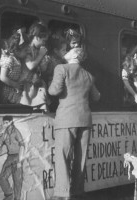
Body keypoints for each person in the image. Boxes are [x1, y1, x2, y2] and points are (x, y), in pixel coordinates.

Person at [48, 47, 100, 200]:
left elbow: (54, 91)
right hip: (84, 119)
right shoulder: (89, 76)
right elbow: (96, 97)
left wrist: (47, 84)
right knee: (80, 157)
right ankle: (77, 192)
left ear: (74, 55)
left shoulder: (61, 68)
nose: (66, 51)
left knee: (63, 156)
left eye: (70, 50)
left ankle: (62, 194)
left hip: (66, 118)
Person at [21, 21, 49, 111]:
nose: (44, 43)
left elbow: (41, 69)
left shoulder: (38, 50)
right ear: (36, 37)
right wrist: (41, 55)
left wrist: (45, 62)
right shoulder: (27, 49)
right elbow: (30, 66)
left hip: (36, 82)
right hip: (27, 83)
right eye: (43, 40)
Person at [0, 115, 25, 200]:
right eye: (3, 123)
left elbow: (22, 145)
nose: (4, 124)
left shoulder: (16, 132)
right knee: (2, 178)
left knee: (17, 182)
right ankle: (9, 194)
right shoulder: (5, 133)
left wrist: (20, 161)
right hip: (10, 158)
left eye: (6, 123)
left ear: (11, 122)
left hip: (17, 157)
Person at [0, 29, 29, 105]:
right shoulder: (8, 59)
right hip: (8, 91)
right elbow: (2, 77)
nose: (27, 52)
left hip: (14, 89)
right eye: (25, 50)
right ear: (16, 50)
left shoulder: (17, 59)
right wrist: (15, 85)